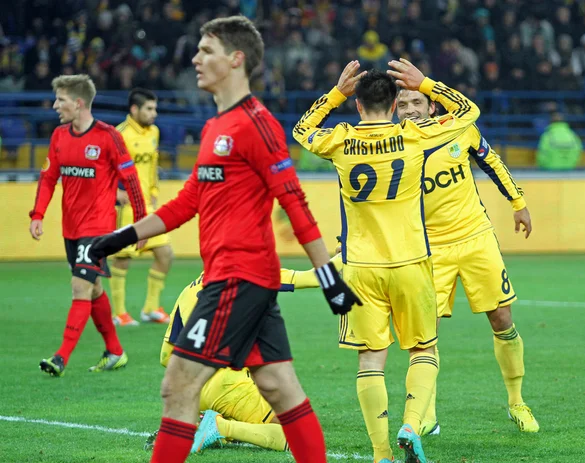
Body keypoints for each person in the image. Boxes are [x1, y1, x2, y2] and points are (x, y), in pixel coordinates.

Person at [89, 16, 360, 463]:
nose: (195, 58)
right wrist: (119, 237)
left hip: (238, 279)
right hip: (241, 279)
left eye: (206, 50)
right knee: (279, 386)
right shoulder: (217, 126)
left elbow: (294, 201)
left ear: (236, 60)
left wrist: (327, 276)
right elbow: (188, 201)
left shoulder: (257, 124)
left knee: (178, 384)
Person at [293, 59, 481, 463]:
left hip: (360, 267)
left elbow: (301, 130)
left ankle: (381, 455)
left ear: (358, 106)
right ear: (396, 104)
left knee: (370, 359)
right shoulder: (415, 135)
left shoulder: (340, 140)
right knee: (424, 349)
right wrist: (426, 84)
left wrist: (335, 93)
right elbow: (469, 112)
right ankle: (412, 424)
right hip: (412, 261)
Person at [395, 86, 539, 434]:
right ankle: (426, 415)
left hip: (476, 238)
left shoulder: (459, 127)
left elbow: (492, 162)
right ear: (393, 110)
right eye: (402, 104)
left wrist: (518, 202)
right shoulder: (391, 146)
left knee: (502, 318)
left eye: (416, 102)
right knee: (425, 334)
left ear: (431, 105)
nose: (410, 109)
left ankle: (516, 401)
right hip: (428, 249)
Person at [146, 256, 343, 454]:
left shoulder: (188, 291)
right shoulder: (252, 274)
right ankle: (220, 427)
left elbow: (166, 356)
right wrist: (345, 254)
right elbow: (313, 278)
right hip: (231, 384)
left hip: (197, 388)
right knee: (297, 435)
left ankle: (209, 425)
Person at [29, 74, 147, 377]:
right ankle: (115, 351)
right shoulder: (59, 136)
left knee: (79, 286)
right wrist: (38, 214)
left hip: (98, 227)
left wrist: (142, 222)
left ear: (78, 103)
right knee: (93, 288)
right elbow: (48, 178)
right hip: (72, 228)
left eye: (61, 100)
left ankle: (60, 357)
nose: (55, 105)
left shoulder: (108, 137)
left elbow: (131, 180)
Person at [111, 88, 174, 326]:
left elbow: (153, 164)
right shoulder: (119, 134)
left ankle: (150, 308)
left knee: (165, 254)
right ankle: (119, 312)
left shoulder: (154, 132)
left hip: (147, 205)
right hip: (126, 206)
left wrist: (155, 191)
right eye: (149, 108)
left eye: (155, 108)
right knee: (123, 258)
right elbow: (104, 168)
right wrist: (114, 192)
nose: (154, 113)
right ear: (134, 109)